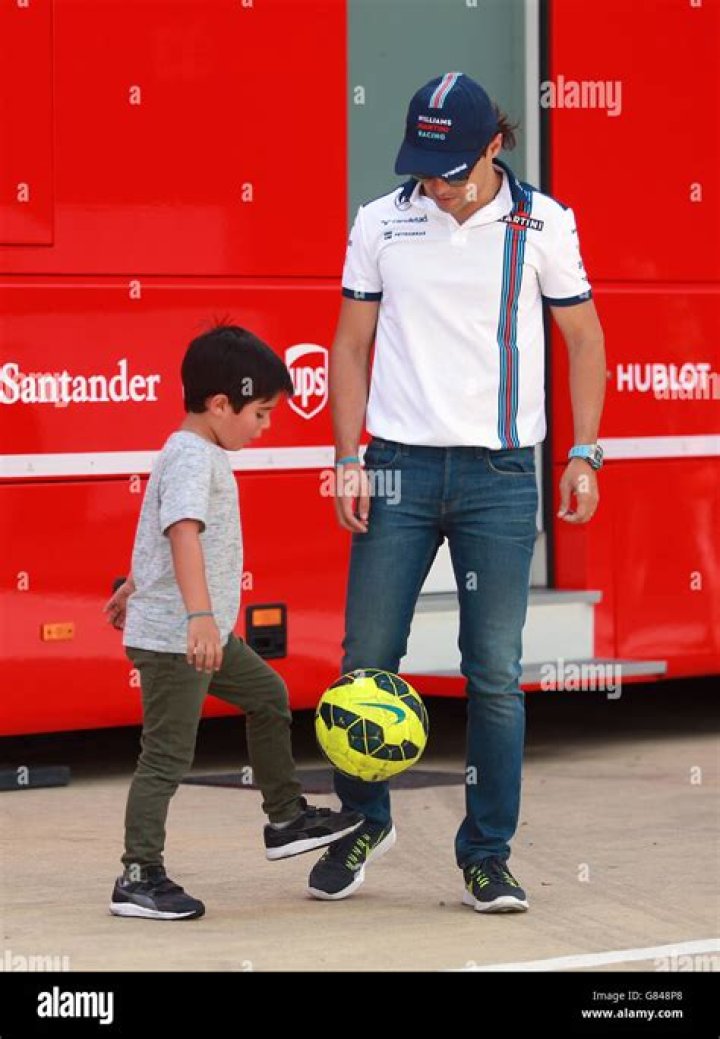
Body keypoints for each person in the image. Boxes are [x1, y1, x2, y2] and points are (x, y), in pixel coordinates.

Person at [307, 72, 606, 911]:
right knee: (364, 661)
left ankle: (487, 854)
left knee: (495, 674)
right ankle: (363, 822)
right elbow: (350, 345)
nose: (434, 183)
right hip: (397, 464)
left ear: (494, 146)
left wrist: (584, 451)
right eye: (423, 165)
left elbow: (584, 339)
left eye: (449, 167)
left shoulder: (544, 221)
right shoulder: (381, 219)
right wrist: (347, 453)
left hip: (503, 475)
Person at [104, 325, 364, 920]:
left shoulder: (196, 452)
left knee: (269, 695)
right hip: (180, 640)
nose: (266, 427)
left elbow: (159, 535)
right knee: (165, 756)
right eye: (262, 413)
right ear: (221, 404)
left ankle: (285, 817)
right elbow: (182, 532)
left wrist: (133, 587)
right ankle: (138, 876)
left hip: (202, 633)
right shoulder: (193, 455)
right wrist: (196, 615)